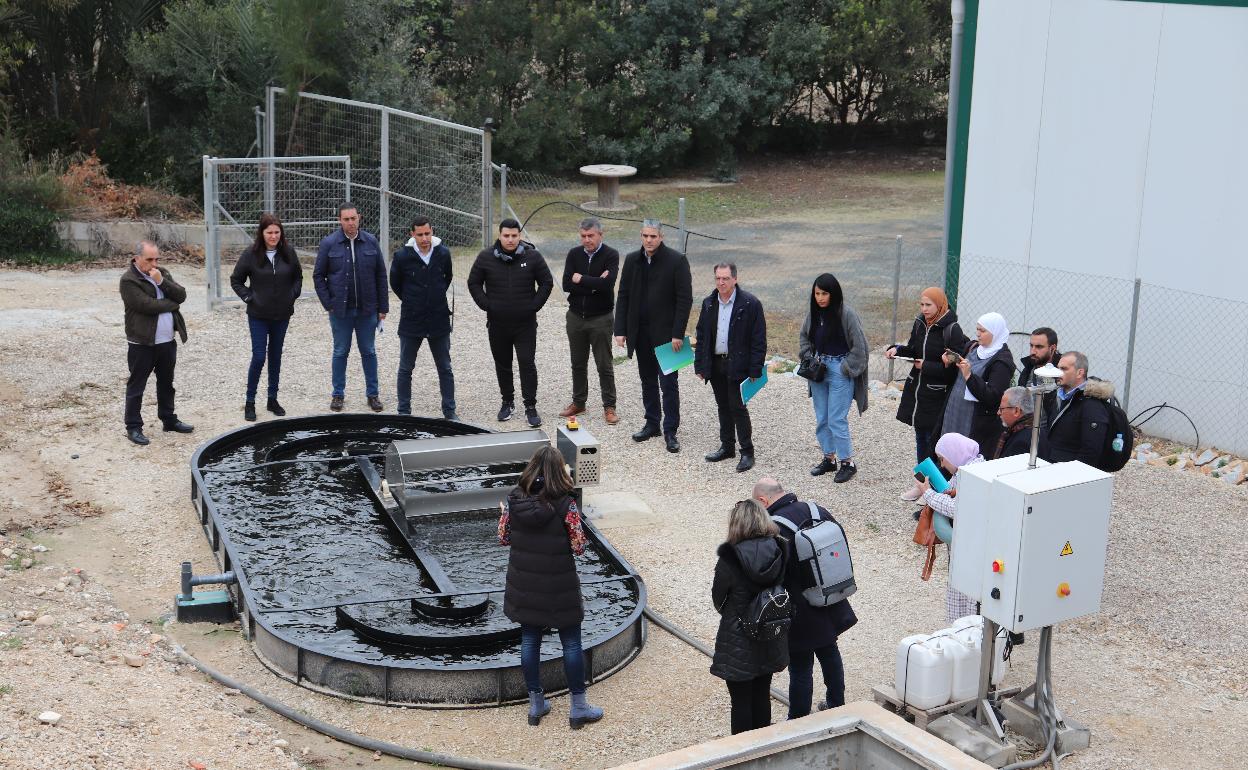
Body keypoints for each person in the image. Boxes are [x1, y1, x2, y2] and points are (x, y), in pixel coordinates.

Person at [498, 445, 604, 729]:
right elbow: (579, 546)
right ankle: (578, 707)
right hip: (560, 584)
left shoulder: (514, 498)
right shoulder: (565, 503)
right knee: (571, 642)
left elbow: (504, 537)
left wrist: (503, 514)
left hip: (525, 584)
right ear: (559, 471)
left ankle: (536, 704)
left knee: (530, 640)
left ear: (532, 468)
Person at [753, 477, 858, 718]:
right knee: (829, 650)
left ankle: (798, 718)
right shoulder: (815, 509)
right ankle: (836, 702)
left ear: (763, 500)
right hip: (830, 593)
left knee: (801, 665)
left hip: (800, 605)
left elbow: (774, 571)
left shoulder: (774, 526)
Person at [710, 499, 789, 735]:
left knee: (741, 701)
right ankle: (763, 747)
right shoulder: (780, 548)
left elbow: (718, 597)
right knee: (762, 694)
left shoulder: (730, 557)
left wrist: (733, 613)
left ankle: (743, 754)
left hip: (738, 636)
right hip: (770, 631)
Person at [614, 220, 693, 453]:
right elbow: (624, 295)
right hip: (641, 333)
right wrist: (620, 329)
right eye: (645, 236)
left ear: (661, 236)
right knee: (647, 380)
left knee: (669, 384)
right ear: (641, 236)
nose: (649, 240)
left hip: (668, 336)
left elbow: (684, 299)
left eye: (653, 236)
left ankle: (670, 430)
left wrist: (678, 333)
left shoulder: (677, 261)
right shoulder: (632, 260)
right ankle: (652, 423)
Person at [467, 218, 554, 427]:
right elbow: (473, 282)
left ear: (519, 236)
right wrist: (487, 305)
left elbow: (546, 282)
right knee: (503, 364)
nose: (510, 239)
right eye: (506, 235)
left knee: (527, 362)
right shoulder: (486, 257)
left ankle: (530, 406)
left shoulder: (532, 257)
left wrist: (534, 306)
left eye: (514, 236)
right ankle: (507, 401)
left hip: (525, 325)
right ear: (500, 235)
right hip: (497, 324)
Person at [886, 287, 969, 501]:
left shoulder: (952, 330)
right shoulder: (920, 323)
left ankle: (935, 489)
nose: (924, 309)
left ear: (940, 305)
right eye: (921, 305)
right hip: (918, 393)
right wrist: (897, 350)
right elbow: (913, 349)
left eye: (928, 305)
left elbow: (953, 369)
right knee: (921, 440)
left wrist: (927, 367)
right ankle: (921, 484)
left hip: (938, 395)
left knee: (935, 444)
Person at [313, 202, 388, 413]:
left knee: (369, 351)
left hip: (367, 310)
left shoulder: (371, 241)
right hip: (340, 311)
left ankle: (372, 394)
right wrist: (329, 304)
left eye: (353, 218)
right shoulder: (329, 243)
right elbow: (318, 276)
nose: (350, 223)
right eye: (346, 219)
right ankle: (338, 394)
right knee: (340, 352)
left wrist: (383, 307)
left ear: (359, 218)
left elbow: (381, 275)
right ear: (340, 221)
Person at [694, 263, 767, 473]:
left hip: (738, 364)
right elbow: (702, 335)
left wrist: (756, 368)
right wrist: (701, 364)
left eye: (725, 278)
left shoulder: (750, 303)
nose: (721, 283)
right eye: (717, 278)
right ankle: (727, 446)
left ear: (735, 279)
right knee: (722, 405)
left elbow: (758, 339)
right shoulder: (709, 303)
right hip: (716, 363)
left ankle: (747, 451)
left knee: (737, 407)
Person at [230, 213, 302, 422]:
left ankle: (272, 398)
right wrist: (248, 296)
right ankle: (250, 401)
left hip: (282, 315)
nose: (273, 236)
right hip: (258, 315)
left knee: (276, 356)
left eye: (276, 232)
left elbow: (298, 277)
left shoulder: (288, 252)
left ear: (281, 233)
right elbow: (236, 280)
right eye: (269, 232)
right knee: (259, 356)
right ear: (261, 233)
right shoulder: (251, 254)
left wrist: (292, 295)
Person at [798, 273, 869, 483]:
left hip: (840, 369)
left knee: (837, 418)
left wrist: (846, 368)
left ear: (833, 293)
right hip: (818, 370)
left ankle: (847, 462)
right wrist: (808, 357)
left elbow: (861, 347)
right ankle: (829, 458)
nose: (820, 298)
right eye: (817, 293)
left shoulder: (847, 314)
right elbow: (804, 337)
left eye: (824, 293)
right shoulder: (813, 314)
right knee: (822, 417)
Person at [120, 240, 193, 445]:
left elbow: (182, 294)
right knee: (137, 386)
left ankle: (168, 419)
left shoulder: (161, 273)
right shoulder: (128, 280)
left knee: (166, 383)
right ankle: (133, 427)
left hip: (166, 341)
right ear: (136, 258)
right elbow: (146, 305)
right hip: (141, 343)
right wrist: (172, 304)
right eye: (148, 259)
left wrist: (162, 282)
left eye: (156, 259)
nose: (153, 264)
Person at [390, 217, 457, 419]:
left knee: (445, 367)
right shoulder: (402, 256)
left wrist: (434, 297)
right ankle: (403, 412)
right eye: (420, 234)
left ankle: (449, 410)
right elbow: (396, 284)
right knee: (405, 367)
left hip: (438, 319)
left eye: (427, 233)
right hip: (412, 320)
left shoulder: (443, 253)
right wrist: (413, 300)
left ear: (432, 231)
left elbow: (447, 277)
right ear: (412, 234)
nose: (424, 238)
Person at [916, 433, 983, 623]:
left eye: (943, 459)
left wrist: (928, 493)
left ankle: (965, 632)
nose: (942, 465)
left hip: (970, 550)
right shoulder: (970, 469)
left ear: (955, 454)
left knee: (967, 595)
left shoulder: (971, 475)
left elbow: (958, 508)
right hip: (968, 547)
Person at [560, 217, 620, 425]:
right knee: (578, 363)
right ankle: (579, 402)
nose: (587, 240)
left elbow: (607, 284)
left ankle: (609, 406)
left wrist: (582, 279)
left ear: (600, 235)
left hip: (601, 318)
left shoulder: (611, 255)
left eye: (591, 236)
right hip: (576, 317)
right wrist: (595, 283)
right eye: (583, 236)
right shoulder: (574, 254)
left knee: (604, 364)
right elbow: (567, 284)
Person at [936, 312, 1015, 456]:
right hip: (955, 413)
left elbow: (993, 396)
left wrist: (969, 376)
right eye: (977, 329)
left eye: (983, 331)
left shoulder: (1002, 362)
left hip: (974, 422)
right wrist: (949, 363)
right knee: (948, 453)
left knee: (963, 456)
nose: (978, 334)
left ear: (995, 332)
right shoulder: (973, 347)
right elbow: (956, 376)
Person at [1045, 351, 1111, 465]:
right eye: (1058, 368)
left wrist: (1074, 476)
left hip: (1069, 473)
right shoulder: (1056, 396)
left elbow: (1091, 451)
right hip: (1051, 464)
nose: (1058, 372)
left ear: (1080, 373)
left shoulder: (1092, 404)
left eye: (1064, 369)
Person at [995, 386, 1049, 460]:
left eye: (1001, 409)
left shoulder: (1021, 442)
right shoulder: (1038, 430)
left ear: (1016, 411)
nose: (998, 413)